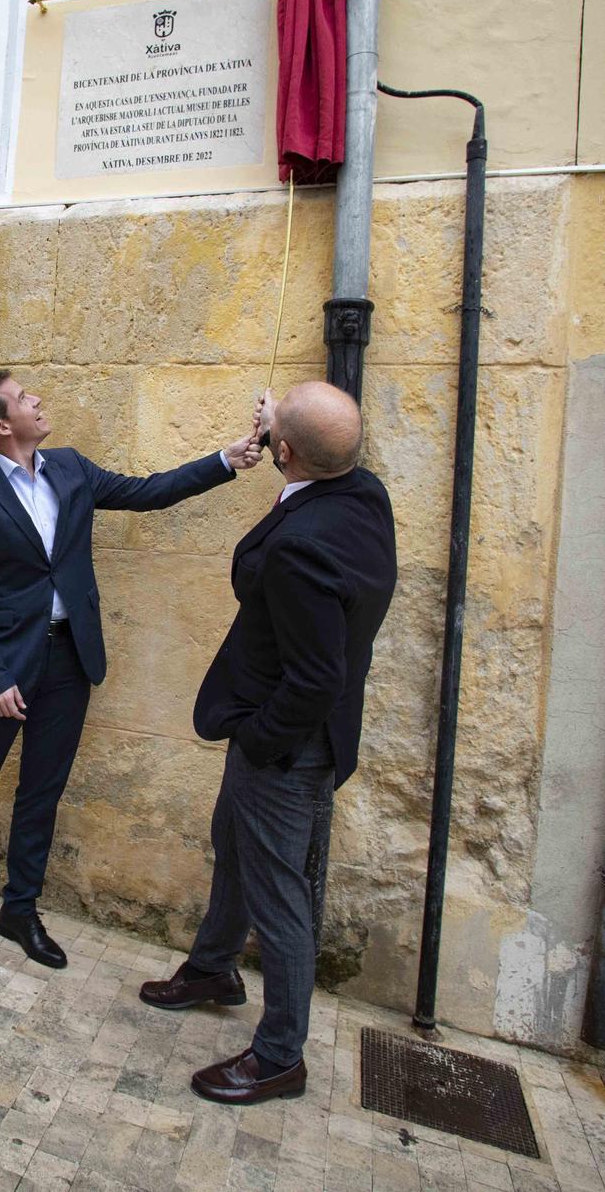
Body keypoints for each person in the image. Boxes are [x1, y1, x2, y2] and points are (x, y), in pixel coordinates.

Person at [0, 370, 264, 973]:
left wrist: (224, 460)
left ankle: (20, 910)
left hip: (69, 658)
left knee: (42, 790)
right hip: (5, 669)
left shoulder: (69, 467)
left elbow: (149, 492)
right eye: (23, 398)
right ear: (0, 423)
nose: (37, 400)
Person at [138, 382, 397, 1107]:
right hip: (288, 733)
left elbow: (317, 675)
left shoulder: (299, 547)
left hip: (285, 745)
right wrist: (283, 431)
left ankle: (280, 1056)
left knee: (283, 900)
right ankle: (213, 966)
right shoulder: (360, 491)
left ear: (285, 453)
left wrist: (259, 737)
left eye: (275, 423)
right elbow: (310, 456)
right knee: (234, 842)